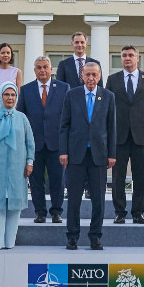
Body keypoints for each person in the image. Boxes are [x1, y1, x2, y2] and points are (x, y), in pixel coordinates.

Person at [58, 58, 116, 251]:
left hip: (99, 155)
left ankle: (95, 236)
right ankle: (72, 236)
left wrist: (112, 154)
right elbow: (64, 125)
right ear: (82, 76)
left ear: (99, 76)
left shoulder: (108, 96)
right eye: (87, 74)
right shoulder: (71, 95)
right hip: (75, 154)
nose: (91, 78)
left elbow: (111, 127)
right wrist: (64, 151)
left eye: (94, 75)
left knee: (98, 199)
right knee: (74, 198)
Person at [0, 82, 35, 250]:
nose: (10, 98)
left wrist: (29, 162)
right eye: (6, 94)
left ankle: (9, 243)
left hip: (17, 169)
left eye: (13, 95)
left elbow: (29, 142)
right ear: (0, 96)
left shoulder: (22, 118)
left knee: (14, 206)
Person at [107, 46, 144, 225]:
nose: (127, 58)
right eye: (124, 55)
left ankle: (138, 212)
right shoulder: (113, 80)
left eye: (130, 55)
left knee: (139, 176)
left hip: (140, 135)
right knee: (118, 176)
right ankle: (119, 212)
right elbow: (107, 109)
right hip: (118, 136)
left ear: (137, 58)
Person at [18, 56, 66, 224]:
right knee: (36, 180)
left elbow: (68, 117)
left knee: (58, 180)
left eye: (45, 67)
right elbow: (21, 118)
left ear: (51, 69)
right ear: (34, 70)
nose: (42, 70)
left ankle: (56, 212)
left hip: (57, 143)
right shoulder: (26, 90)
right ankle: (39, 212)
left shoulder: (63, 88)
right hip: (34, 143)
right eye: (39, 67)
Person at [0, 42, 21, 109]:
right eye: (3, 53)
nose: (6, 55)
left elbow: (19, 94)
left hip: (12, 111)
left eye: (8, 53)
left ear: (11, 55)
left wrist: (14, 111)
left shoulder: (17, 72)